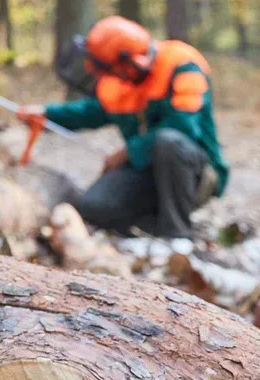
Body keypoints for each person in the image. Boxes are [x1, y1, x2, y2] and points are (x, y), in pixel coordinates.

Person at [18, 15, 228, 239]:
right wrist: (47, 113)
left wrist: (127, 153)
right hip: (143, 171)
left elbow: (184, 128)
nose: (102, 76)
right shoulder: (121, 81)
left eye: (106, 69)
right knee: (93, 206)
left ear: (128, 63)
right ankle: (150, 227)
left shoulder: (183, 66)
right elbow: (91, 112)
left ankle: (177, 236)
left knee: (168, 142)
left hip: (196, 173)